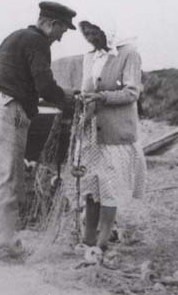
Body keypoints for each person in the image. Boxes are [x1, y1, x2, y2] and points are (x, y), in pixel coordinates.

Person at [0, 1, 77, 261]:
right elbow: (44, 85)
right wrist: (67, 99)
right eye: (62, 30)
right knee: (9, 181)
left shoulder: (16, 36)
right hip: (8, 111)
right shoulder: (38, 42)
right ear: (52, 24)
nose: (60, 37)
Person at [76, 19, 146, 251]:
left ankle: (103, 238)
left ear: (106, 30)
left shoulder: (129, 54)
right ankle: (88, 236)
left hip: (116, 133)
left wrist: (103, 97)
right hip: (93, 132)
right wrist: (84, 100)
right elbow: (87, 88)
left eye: (94, 33)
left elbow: (131, 92)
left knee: (109, 187)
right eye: (86, 34)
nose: (90, 38)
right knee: (91, 185)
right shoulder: (90, 56)